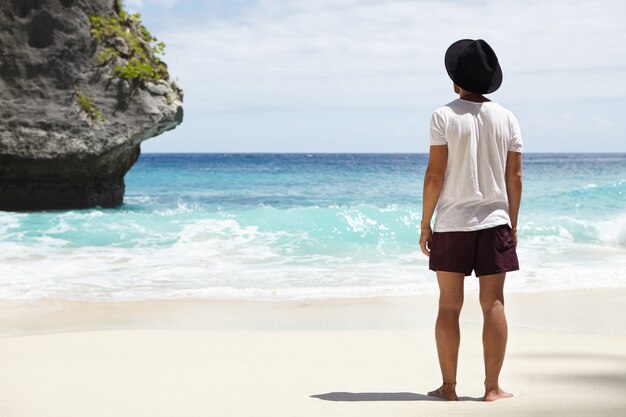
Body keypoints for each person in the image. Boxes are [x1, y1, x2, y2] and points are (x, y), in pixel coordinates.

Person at [419, 39, 523, 402]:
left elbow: (435, 175)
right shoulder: (507, 117)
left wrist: (425, 223)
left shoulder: (443, 116)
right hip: (494, 222)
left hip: (451, 223)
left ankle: (448, 388)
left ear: (455, 79)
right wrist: (512, 223)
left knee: (449, 306)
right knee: (493, 303)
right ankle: (492, 389)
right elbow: (516, 177)